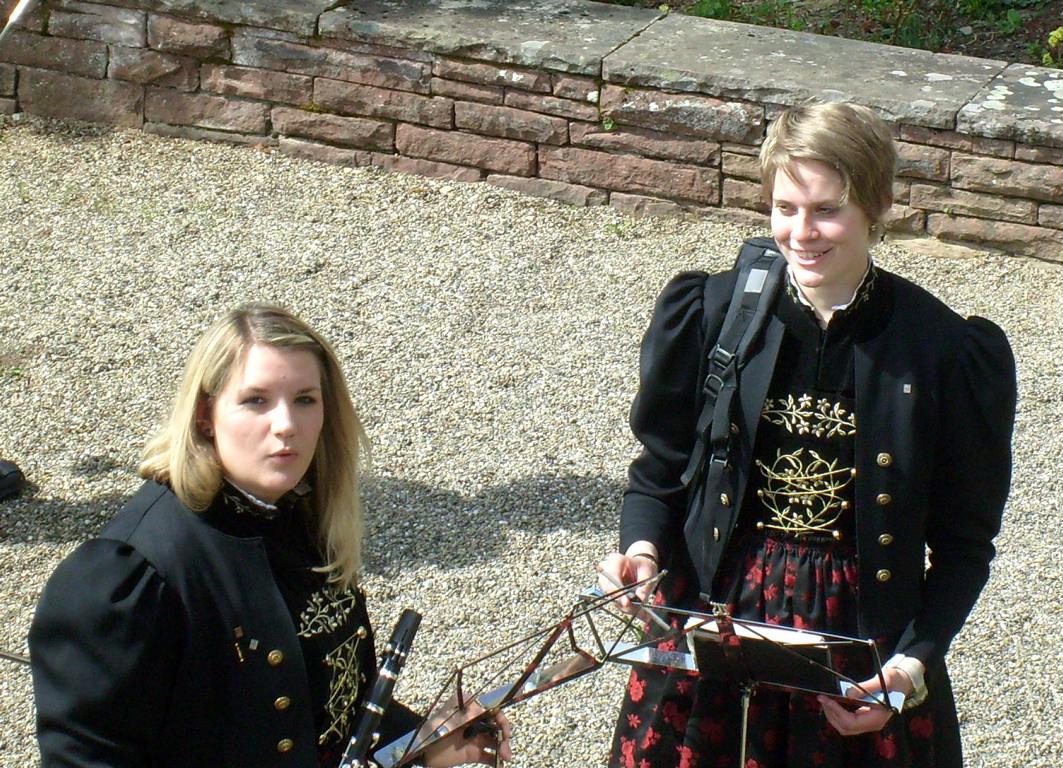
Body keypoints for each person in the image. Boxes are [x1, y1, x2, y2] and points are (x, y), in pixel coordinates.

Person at [597, 102, 1016, 768]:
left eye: (826, 210)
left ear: (877, 207)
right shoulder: (710, 313)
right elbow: (660, 471)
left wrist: (909, 666)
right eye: (784, 208)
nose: (801, 233)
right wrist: (642, 549)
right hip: (713, 624)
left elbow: (965, 545)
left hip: (861, 651)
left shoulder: (945, 351)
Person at [29, 304, 511, 768]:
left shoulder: (295, 517)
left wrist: (420, 741)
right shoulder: (125, 575)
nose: (286, 425)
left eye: (305, 400)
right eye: (255, 400)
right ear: (205, 415)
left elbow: (328, 705)